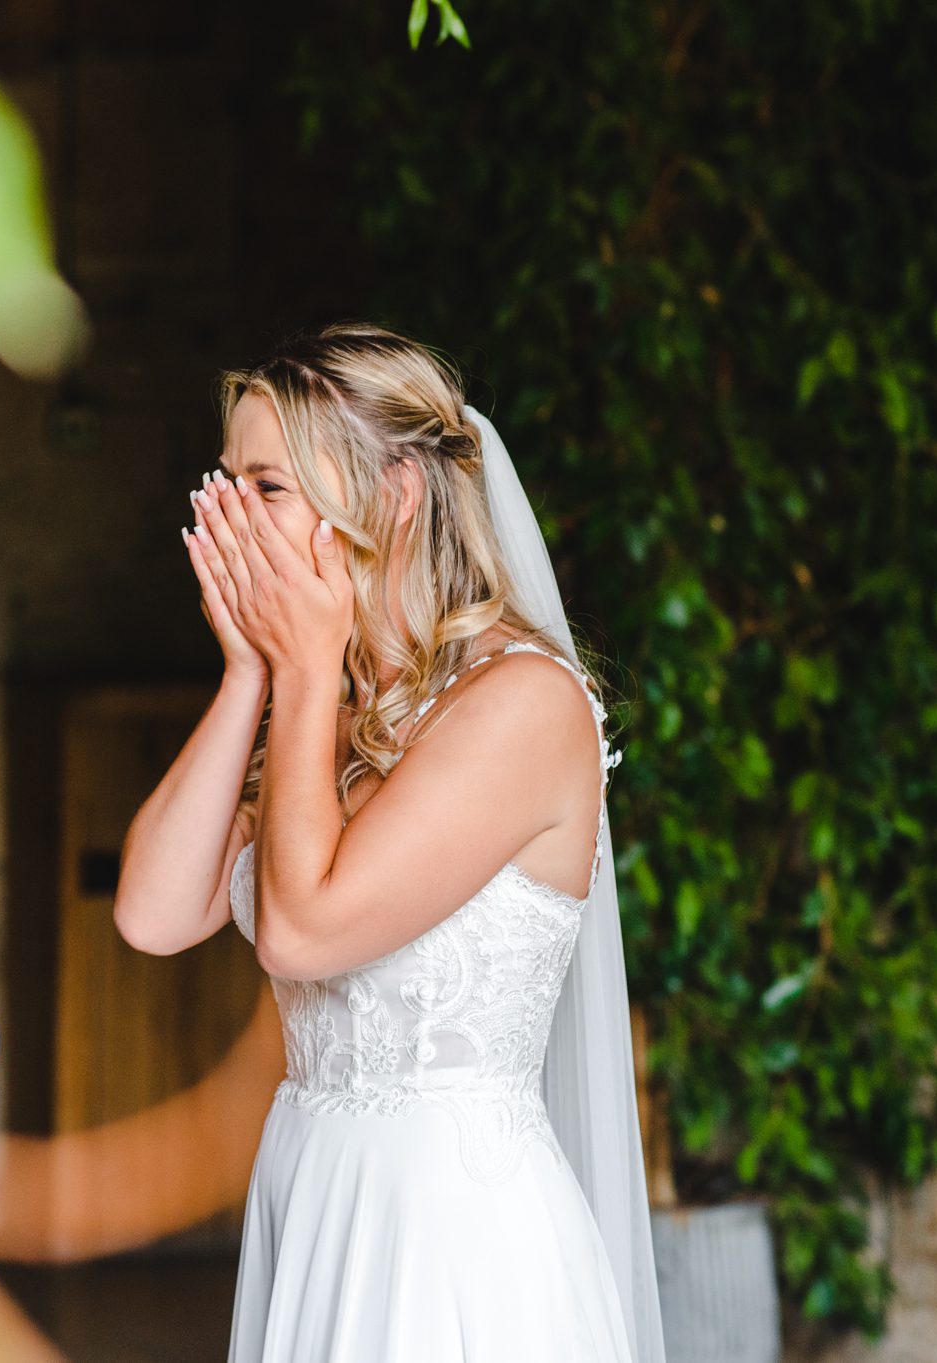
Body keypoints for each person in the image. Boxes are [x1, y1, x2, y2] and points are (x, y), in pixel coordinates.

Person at [115, 324, 666, 1361]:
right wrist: (250, 673)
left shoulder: (521, 702)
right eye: (222, 484)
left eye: (265, 488)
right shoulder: (336, 703)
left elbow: (302, 933)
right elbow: (150, 912)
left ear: (395, 495)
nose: (229, 517)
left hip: (449, 1228)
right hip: (317, 1191)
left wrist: (308, 669)